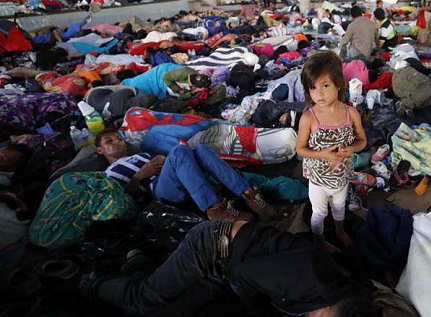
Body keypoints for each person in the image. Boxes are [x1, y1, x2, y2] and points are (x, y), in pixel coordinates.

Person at [83, 213, 374, 317]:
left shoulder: (341, 290)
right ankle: (93, 282)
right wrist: (257, 310)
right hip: (211, 247)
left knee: (167, 311)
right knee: (143, 302)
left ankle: (137, 261)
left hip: (232, 265)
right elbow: (244, 275)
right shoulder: (303, 277)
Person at [95, 128, 274, 220]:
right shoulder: (110, 173)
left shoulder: (140, 155)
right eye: (109, 141)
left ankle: (250, 195)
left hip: (175, 180)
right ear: (100, 151)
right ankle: (216, 209)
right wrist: (140, 175)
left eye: (118, 137)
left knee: (201, 150)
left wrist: (164, 161)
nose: (117, 142)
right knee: (179, 151)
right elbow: (119, 201)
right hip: (157, 195)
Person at [296, 52, 367, 253]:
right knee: (319, 212)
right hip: (318, 179)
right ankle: (319, 240)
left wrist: (352, 148)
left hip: (341, 177)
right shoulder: (308, 118)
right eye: (313, 87)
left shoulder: (350, 113)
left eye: (325, 86)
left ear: (338, 85)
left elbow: (362, 140)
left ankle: (340, 231)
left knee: (339, 207)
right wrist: (323, 155)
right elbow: (300, 149)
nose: (318, 93)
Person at [119, 64, 210, 100]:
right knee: (136, 91)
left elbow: (182, 97)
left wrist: (194, 92)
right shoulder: (184, 72)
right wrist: (177, 90)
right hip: (158, 76)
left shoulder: (197, 84)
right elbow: (165, 77)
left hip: (166, 78)